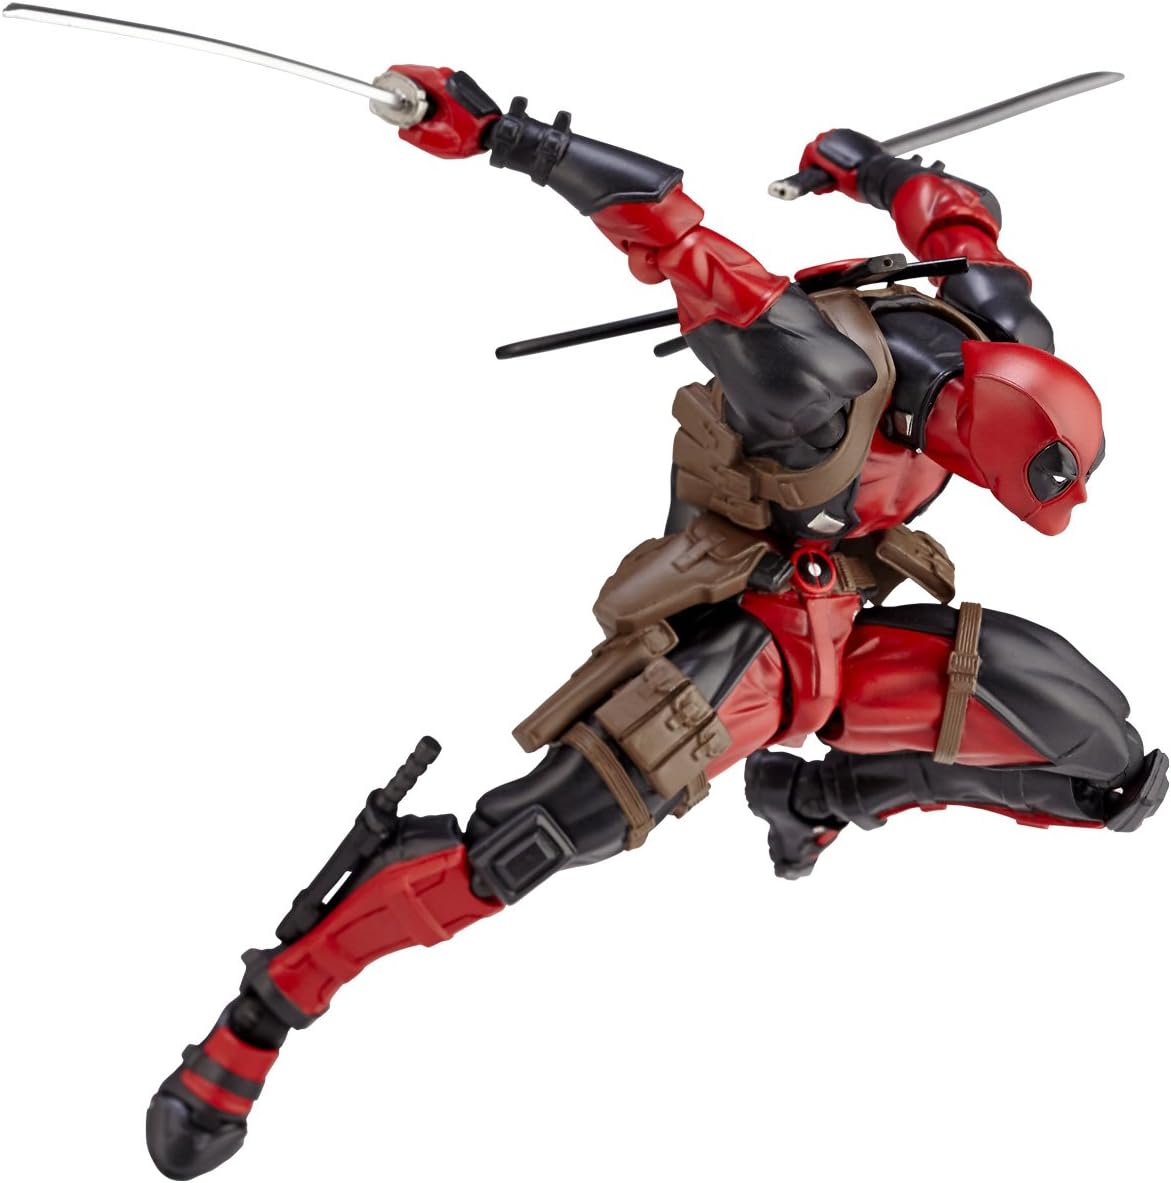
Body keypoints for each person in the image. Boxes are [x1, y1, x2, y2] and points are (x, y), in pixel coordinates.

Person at [146, 66, 1167, 1180]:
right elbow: (672, 235)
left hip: (851, 615)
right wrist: (507, 136)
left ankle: (818, 794)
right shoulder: (809, 380)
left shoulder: (998, 313)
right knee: (528, 839)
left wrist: (865, 166)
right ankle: (266, 1011)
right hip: (746, 631)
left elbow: (955, 211)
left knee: (1105, 768)